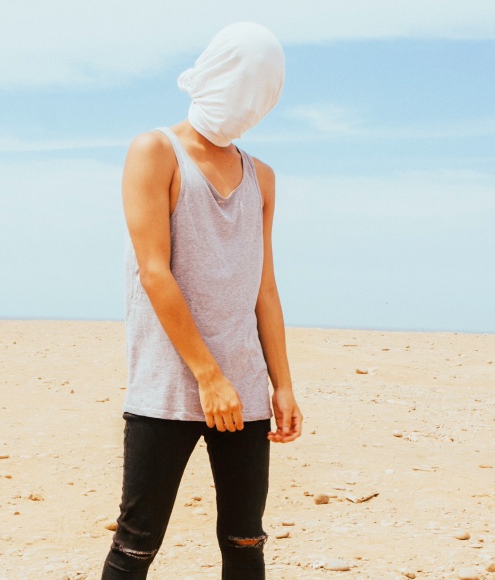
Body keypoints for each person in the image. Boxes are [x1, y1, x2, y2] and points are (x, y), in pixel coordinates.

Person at [102, 22, 303, 579]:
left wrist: (281, 383)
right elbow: (154, 272)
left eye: (263, 89)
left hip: (245, 389)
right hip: (169, 384)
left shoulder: (261, 177)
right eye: (243, 81)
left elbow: (263, 287)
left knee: (245, 542)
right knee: (136, 545)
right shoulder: (154, 151)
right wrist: (209, 378)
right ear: (213, 72)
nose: (250, 98)